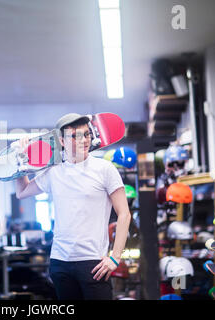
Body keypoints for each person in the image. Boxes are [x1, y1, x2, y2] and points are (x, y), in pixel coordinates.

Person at [15, 113, 131, 300]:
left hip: (94, 263)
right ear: (62, 140)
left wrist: (115, 257)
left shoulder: (105, 169)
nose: (83, 140)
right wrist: (19, 164)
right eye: (75, 136)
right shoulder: (54, 171)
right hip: (60, 263)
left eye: (86, 134)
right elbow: (22, 192)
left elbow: (124, 214)